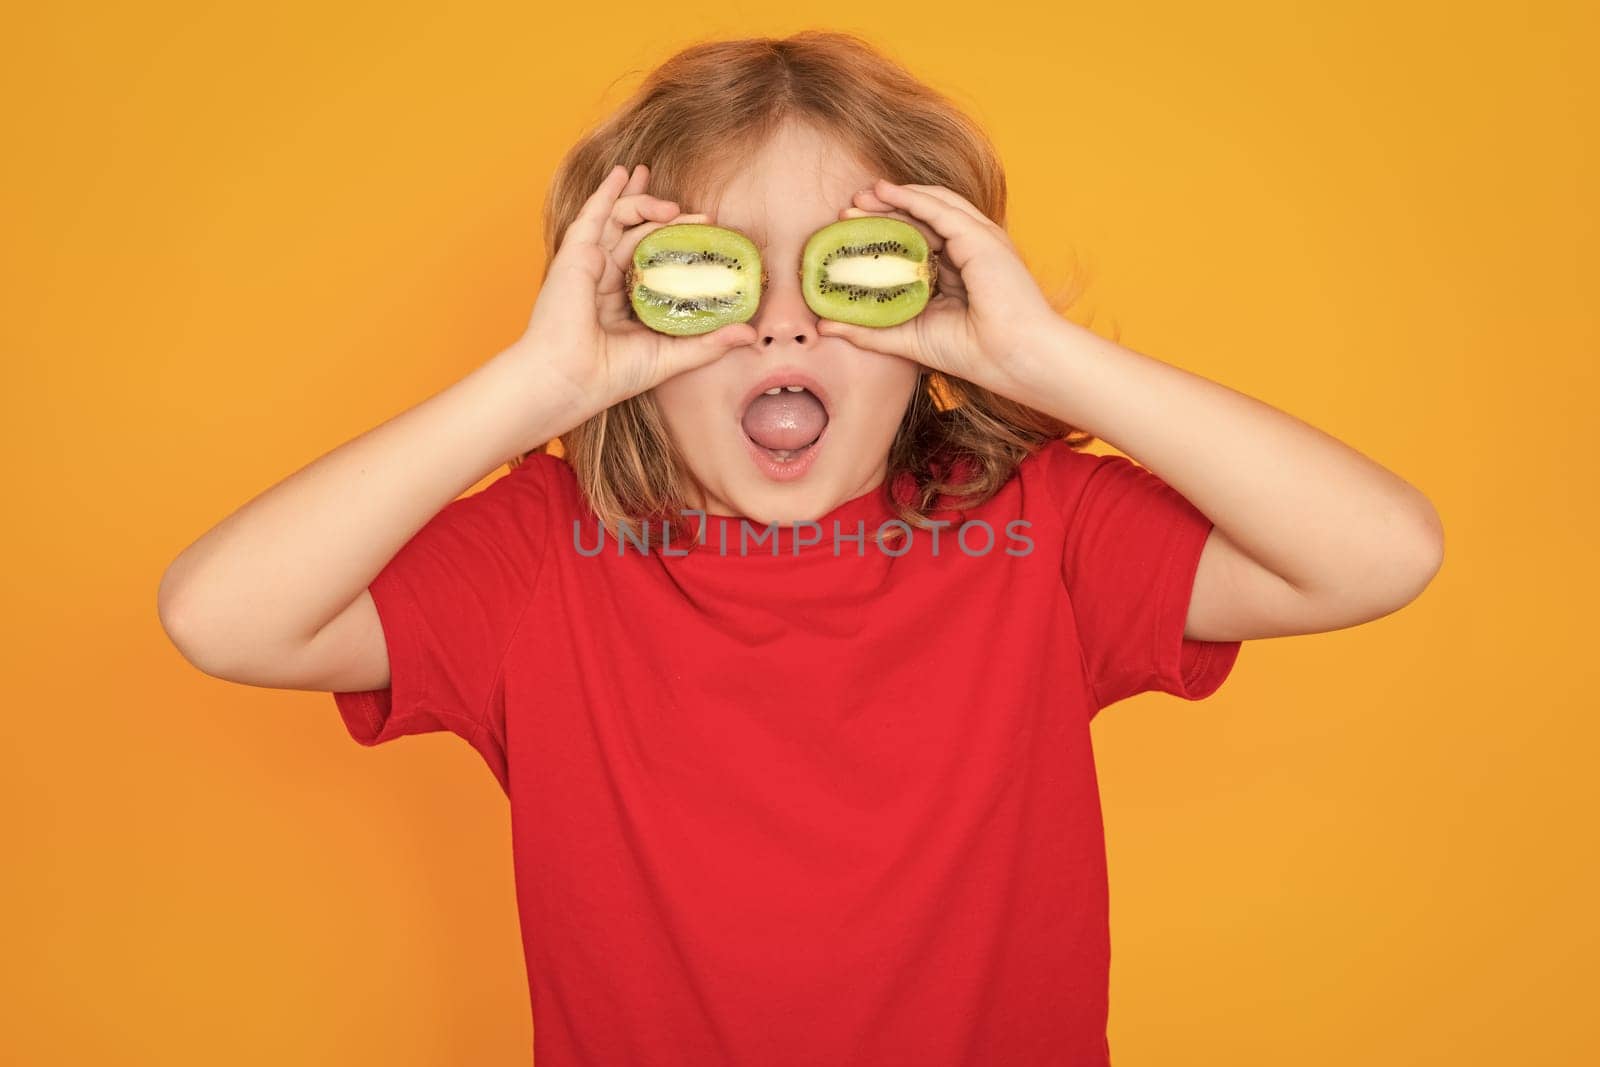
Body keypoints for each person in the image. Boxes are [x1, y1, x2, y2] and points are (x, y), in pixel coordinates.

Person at [156, 30, 1444, 1067]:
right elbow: (224, 616)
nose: (780, 330)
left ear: (934, 304)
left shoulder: (1032, 528)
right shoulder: (544, 556)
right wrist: (537, 386)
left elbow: (1377, 553)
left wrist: (1042, 358)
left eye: (852, 272)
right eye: (710, 279)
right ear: (627, 319)